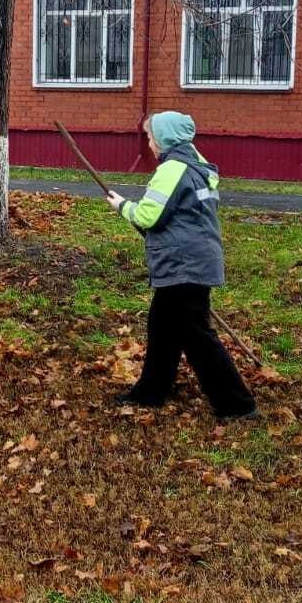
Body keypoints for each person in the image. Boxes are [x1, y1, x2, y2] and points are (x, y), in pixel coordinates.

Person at [105, 111, 257, 421]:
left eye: (151, 137)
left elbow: (148, 217)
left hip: (184, 264)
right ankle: (151, 392)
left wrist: (121, 205)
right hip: (195, 259)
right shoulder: (198, 166)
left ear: (165, 138)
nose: (149, 143)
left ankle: (237, 404)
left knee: (196, 335)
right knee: (162, 327)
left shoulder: (173, 168)